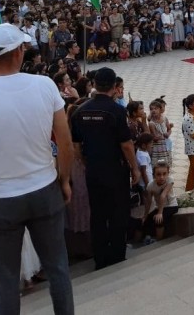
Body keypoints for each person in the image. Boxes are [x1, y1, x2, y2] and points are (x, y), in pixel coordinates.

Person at [0, 24, 74, 315]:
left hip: (0, 198)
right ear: (20, 52)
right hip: (44, 188)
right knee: (58, 268)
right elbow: (64, 140)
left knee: (6, 278)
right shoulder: (45, 84)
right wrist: (64, 181)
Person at [70, 67, 140, 270]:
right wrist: (134, 168)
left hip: (93, 170)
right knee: (118, 212)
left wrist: (85, 162)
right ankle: (117, 254)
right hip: (115, 169)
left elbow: (76, 145)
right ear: (114, 87)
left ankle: (100, 257)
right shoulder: (117, 111)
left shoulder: (81, 111)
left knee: (98, 214)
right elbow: (126, 144)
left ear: (95, 85)